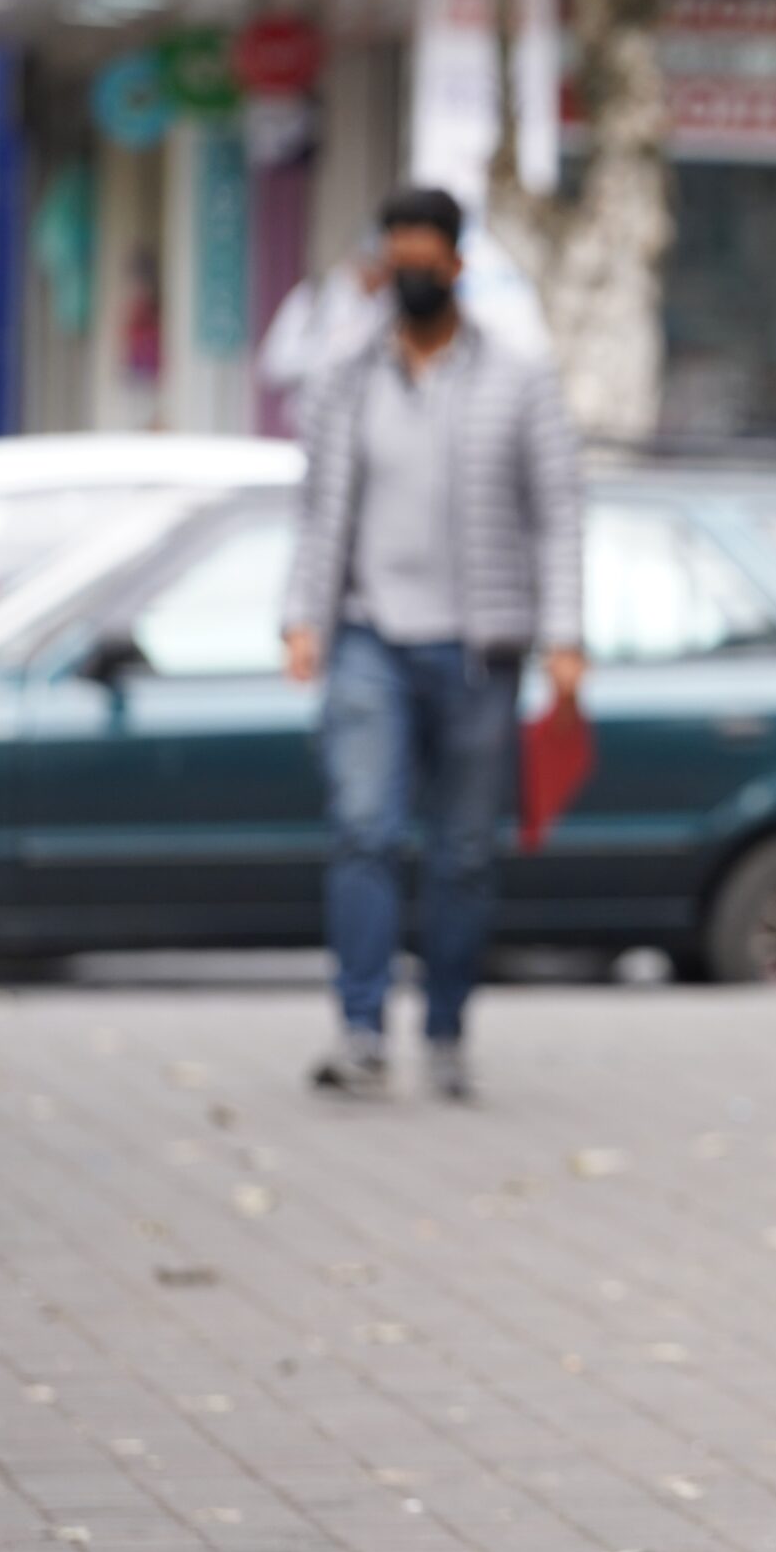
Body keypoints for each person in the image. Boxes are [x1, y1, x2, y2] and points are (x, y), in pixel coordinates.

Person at [282, 185, 585, 1103]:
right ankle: (362, 1030)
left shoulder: (518, 376)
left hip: (477, 651)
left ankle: (446, 1029)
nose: (408, 273)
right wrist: (304, 614)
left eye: (425, 256)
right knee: (364, 831)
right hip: (371, 636)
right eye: (395, 256)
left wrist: (566, 636)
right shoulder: (345, 376)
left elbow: (558, 511)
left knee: (462, 852)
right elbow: (318, 506)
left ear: (456, 264)